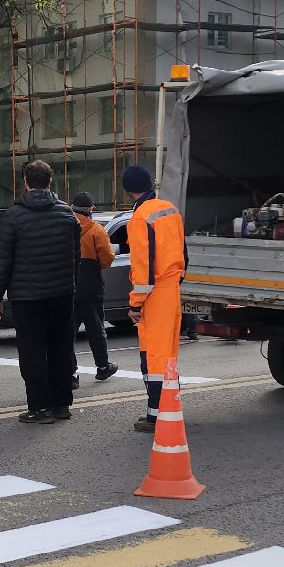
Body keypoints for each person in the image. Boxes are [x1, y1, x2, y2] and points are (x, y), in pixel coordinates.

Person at [0, 160, 81, 423]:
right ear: (50, 182)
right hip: (61, 293)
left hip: (26, 297)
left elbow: (3, 260)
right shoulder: (67, 214)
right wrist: (70, 284)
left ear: (26, 183)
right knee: (61, 348)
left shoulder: (13, 216)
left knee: (32, 352)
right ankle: (61, 405)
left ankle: (39, 408)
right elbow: (76, 257)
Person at [122, 164, 187, 433]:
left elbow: (143, 267)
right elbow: (183, 253)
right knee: (169, 355)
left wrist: (135, 302)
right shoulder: (170, 210)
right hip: (171, 289)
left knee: (154, 357)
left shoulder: (140, 218)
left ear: (128, 190)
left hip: (155, 293)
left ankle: (156, 416)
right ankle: (169, 409)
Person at [70, 192, 119, 387]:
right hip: (91, 287)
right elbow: (106, 260)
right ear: (90, 209)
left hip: (67, 287)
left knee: (67, 333)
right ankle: (103, 366)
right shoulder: (97, 230)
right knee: (96, 329)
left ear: (72, 207)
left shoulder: (63, 228)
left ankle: (70, 374)